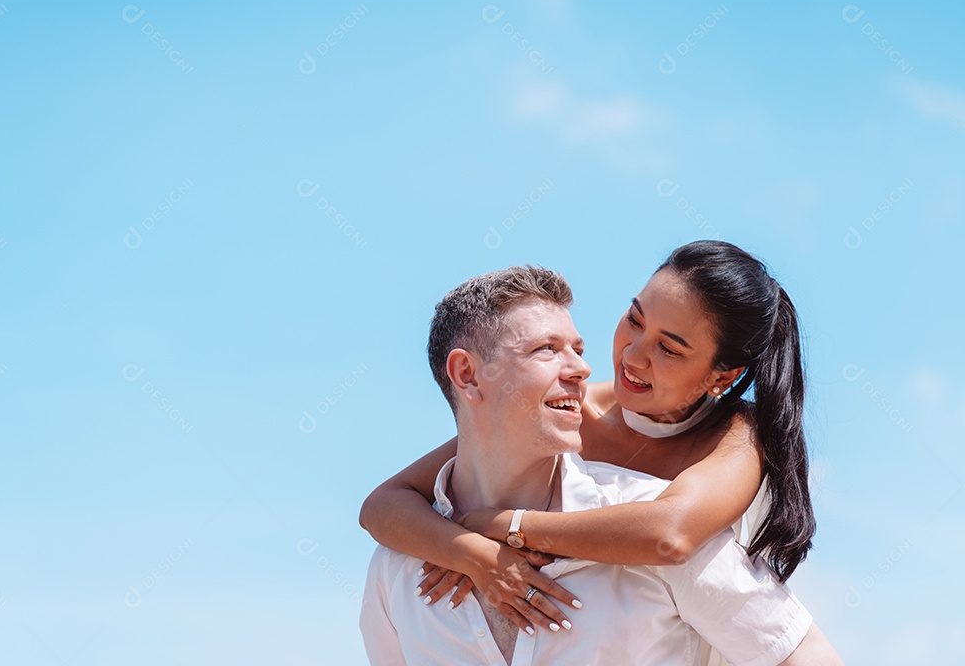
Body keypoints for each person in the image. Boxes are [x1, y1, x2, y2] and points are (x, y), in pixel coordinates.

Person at [359, 264, 841, 665]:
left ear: (722, 377)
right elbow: (385, 503)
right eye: (634, 319)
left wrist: (506, 526)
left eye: (669, 349)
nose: (632, 354)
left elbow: (669, 536)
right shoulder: (571, 413)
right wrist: (470, 551)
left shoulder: (737, 437)